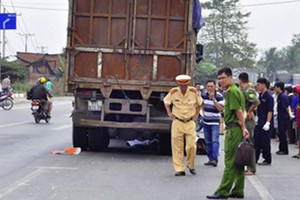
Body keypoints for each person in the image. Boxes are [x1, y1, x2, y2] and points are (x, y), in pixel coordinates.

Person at [207, 67, 249, 199]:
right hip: (236, 127)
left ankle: (223, 191)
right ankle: (238, 190)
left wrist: (243, 127)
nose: (221, 81)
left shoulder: (231, 92)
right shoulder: (235, 91)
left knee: (229, 161)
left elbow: (238, 112)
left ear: (230, 77)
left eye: (223, 78)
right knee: (238, 162)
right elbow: (230, 110)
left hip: (234, 129)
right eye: (219, 78)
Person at [163, 74, 203, 176]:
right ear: (179, 84)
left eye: (185, 85)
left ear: (188, 84)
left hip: (190, 122)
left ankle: (191, 165)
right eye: (181, 85)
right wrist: (169, 113)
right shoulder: (174, 92)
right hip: (177, 121)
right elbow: (166, 102)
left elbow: (200, 103)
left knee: (191, 146)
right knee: (177, 147)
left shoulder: (194, 92)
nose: (183, 87)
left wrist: (197, 114)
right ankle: (179, 169)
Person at [238, 72, 260, 176]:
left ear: (240, 80)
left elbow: (256, 102)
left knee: (249, 144)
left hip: (248, 121)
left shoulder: (248, 90)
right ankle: (246, 166)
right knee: (244, 143)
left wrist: (250, 111)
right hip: (243, 119)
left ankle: (251, 168)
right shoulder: (243, 90)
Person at [201, 79, 224, 167]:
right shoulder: (203, 95)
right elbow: (201, 104)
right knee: (208, 141)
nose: (210, 88)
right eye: (208, 86)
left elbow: (220, 109)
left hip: (215, 122)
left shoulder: (219, 96)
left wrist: (213, 99)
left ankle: (214, 159)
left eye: (211, 86)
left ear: (215, 87)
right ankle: (210, 158)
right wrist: (203, 113)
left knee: (215, 141)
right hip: (206, 121)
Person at [254, 78, 273, 165]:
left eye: (259, 85)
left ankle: (267, 159)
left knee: (265, 142)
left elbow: (270, 110)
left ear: (264, 85)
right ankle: (255, 159)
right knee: (256, 141)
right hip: (259, 121)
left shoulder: (269, 97)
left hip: (265, 122)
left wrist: (268, 122)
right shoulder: (260, 96)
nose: (257, 86)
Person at [274, 82, 291, 155]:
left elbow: (286, 107)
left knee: (283, 133)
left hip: (283, 117)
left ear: (278, 87)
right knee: (281, 133)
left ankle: (284, 150)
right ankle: (281, 148)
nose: (274, 89)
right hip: (280, 116)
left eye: (275, 87)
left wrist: (289, 115)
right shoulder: (280, 96)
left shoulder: (283, 96)